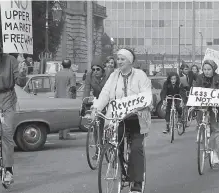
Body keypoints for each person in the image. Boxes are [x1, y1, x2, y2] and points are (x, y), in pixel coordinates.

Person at [91, 48, 152, 193]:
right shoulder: (113, 76)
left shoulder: (140, 75)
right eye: (117, 59)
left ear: (130, 61)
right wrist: (96, 108)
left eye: (122, 59)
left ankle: (136, 182)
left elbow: (146, 94)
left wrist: (142, 106)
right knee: (113, 143)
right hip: (118, 118)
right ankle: (122, 169)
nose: (119, 62)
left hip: (136, 117)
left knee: (136, 148)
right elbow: (105, 93)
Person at [0, 38, 27, 184]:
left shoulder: (11, 60)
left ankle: (8, 170)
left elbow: (20, 82)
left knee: (7, 133)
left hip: (7, 99)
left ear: (0, 49)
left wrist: (22, 72)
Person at [194, 59, 219, 168]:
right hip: (202, 105)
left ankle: (213, 153)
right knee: (200, 122)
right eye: (204, 69)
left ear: (213, 69)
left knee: (216, 129)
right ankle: (200, 131)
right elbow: (195, 91)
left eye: (209, 69)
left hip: (215, 107)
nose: (206, 71)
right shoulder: (199, 78)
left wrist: (216, 105)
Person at [82, 56, 111, 159]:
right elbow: (86, 89)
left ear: (102, 69)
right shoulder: (89, 76)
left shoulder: (108, 75)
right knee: (96, 126)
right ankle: (98, 150)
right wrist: (85, 102)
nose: (95, 71)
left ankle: (110, 145)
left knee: (108, 124)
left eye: (98, 69)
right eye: (93, 69)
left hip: (108, 100)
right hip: (97, 100)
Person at [55, 59, 77, 140]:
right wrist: (74, 98)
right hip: (67, 98)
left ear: (62, 65)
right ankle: (66, 134)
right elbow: (73, 87)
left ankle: (60, 134)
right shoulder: (71, 74)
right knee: (67, 116)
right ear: (70, 65)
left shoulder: (57, 74)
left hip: (58, 97)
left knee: (60, 116)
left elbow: (55, 87)